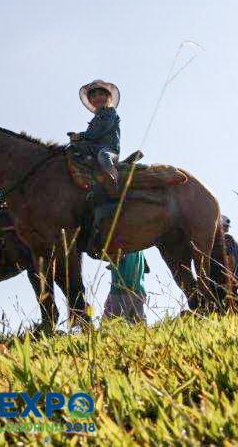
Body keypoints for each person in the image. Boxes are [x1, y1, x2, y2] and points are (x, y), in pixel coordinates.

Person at [68, 80, 121, 255]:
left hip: (108, 149)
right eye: (94, 96)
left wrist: (81, 136)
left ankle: (113, 180)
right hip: (94, 148)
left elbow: (97, 134)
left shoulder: (110, 113)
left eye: (100, 94)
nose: (97, 98)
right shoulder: (95, 119)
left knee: (103, 156)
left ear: (107, 98)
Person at [103, 251, 148, 323]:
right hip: (140, 291)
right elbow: (147, 269)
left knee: (113, 322)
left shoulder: (120, 244)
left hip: (120, 290)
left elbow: (113, 259)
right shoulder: (140, 250)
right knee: (137, 324)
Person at [220, 215, 238, 307]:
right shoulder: (232, 242)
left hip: (233, 297)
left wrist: (230, 293)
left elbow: (230, 263)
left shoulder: (227, 240)